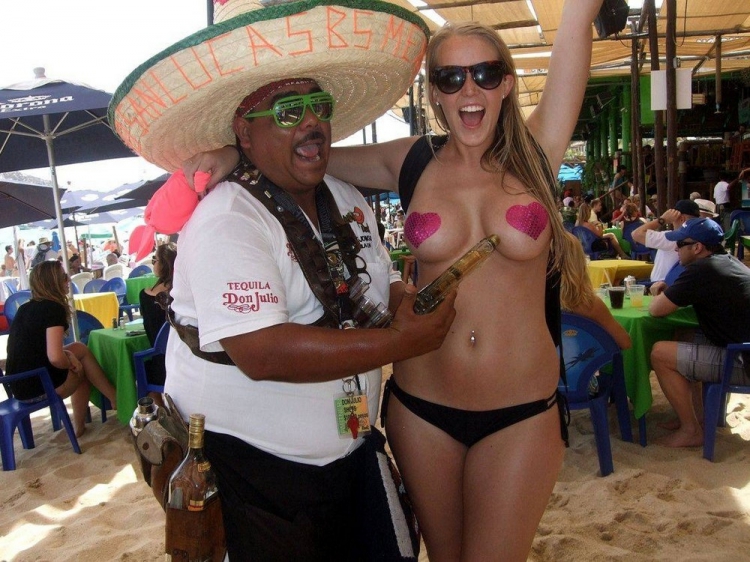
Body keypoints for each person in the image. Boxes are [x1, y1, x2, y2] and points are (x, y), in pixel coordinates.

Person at [182, 2, 608, 557]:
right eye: (450, 78)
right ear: (434, 94)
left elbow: (574, 31)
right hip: (421, 408)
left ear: (506, 84)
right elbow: (309, 156)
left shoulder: (536, 154)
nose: (469, 89)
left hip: (520, 410)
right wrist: (234, 152)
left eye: (485, 73)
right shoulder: (412, 161)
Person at [109, 1, 455, 559]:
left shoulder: (345, 198)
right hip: (253, 478)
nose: (313, 122)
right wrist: (403, 341)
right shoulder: (228, 217)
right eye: (289, 110)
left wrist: (406, 303)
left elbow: (380, 284)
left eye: (319, 106)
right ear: (244, 134)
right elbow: (262, 351)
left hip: (351, 456)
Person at [649, 217, 750, 448]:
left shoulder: (701, 269)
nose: (676, 249)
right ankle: (698, 417)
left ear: (697, 247)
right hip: (740, 349)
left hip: (743, 361)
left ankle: (691, 430)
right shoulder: (728, 261)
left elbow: (656, 310)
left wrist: (659, 292)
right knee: (683, 334)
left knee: (660, 354)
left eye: (680, 244)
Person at [4, 261, 117, 437]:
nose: (68, 280)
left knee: (79, 350)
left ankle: (108, 402)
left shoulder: (24, 308)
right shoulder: (53, 308)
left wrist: (70, 356)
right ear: (54, 282)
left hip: (17, 386)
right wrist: (72, 363)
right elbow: (55, 357)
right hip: (38, 387)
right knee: (81, 368)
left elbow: (35, 349)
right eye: (64, 276)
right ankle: (111, 401)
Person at [560, 232, 631, 350]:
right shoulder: (588, 304)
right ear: (580, 262)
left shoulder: (535, 304)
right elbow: (625, 342)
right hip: (585, 360)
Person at [631, 199, 700, 295]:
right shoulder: (698, 237)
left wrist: (662, 219)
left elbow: (636, 234)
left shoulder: (671, 238)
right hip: (677, 284)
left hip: (660, 287)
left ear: (681, 219)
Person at [138, 243, 177, 405]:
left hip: (161, 363)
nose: (153, 263)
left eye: (155, 260)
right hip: (183, 358)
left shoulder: (145, 295)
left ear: (164, 264)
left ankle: (162, 411)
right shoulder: (181, 292)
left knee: (143, 367)